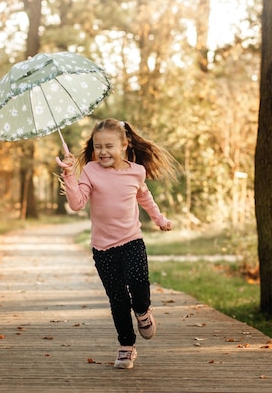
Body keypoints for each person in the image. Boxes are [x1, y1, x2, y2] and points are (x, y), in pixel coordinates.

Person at [56, 118, 179, 369]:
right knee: (118, 299)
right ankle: (126, 346)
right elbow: (77, 203)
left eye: (109, 146)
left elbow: (145, 197)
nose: (102, 152)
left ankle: (143, 312)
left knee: (138, 284)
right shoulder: (90, 170)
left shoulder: (136, 171)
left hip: (132, 240)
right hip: (103, 249)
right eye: (98, 146)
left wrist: (159, 219)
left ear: (124, 144)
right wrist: (70, 176)